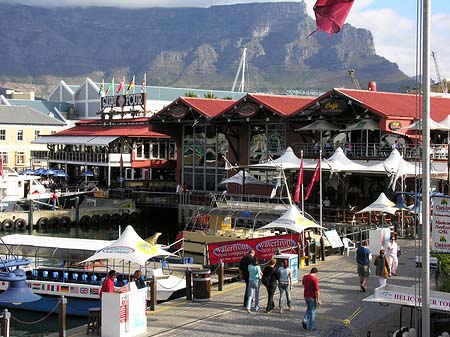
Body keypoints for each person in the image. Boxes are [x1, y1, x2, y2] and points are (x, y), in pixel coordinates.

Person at [302, 267, 321, 332]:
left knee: (308, 308)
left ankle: (304, 319)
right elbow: (317, 291)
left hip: (305, 295)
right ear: (315, 273)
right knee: (312, 312)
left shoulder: (305, 277)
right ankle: (311, 327)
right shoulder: (314, 279)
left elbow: (303, 284)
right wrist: (318, 300)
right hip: (312, 297)